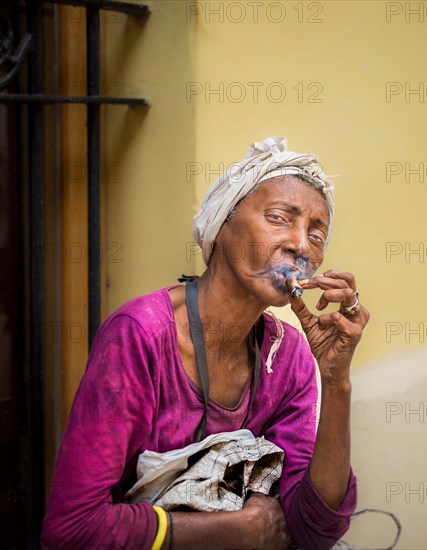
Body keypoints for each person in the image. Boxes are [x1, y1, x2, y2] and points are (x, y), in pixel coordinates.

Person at [41, 136, 370, 550]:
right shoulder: (142, 333)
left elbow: (315, 528)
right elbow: (72, 531)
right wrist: (238, 530)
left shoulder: (288, 358)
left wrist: (336, 381)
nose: (301, 245)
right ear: (222, 223)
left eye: (317, 234)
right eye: (279, 217)